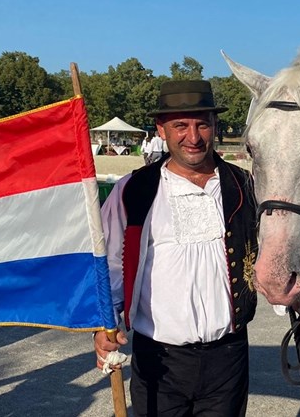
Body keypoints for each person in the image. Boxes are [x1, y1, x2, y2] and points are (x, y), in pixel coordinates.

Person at [94, 80, 259, 417]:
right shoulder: (133, 190)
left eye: (202, 124)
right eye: (180, 125)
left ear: (214, 125)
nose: (193, 137)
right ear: (161, 129)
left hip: (227, 359)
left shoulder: (244, 185)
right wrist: (102, 326)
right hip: (158, 361)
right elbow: (108, 264)